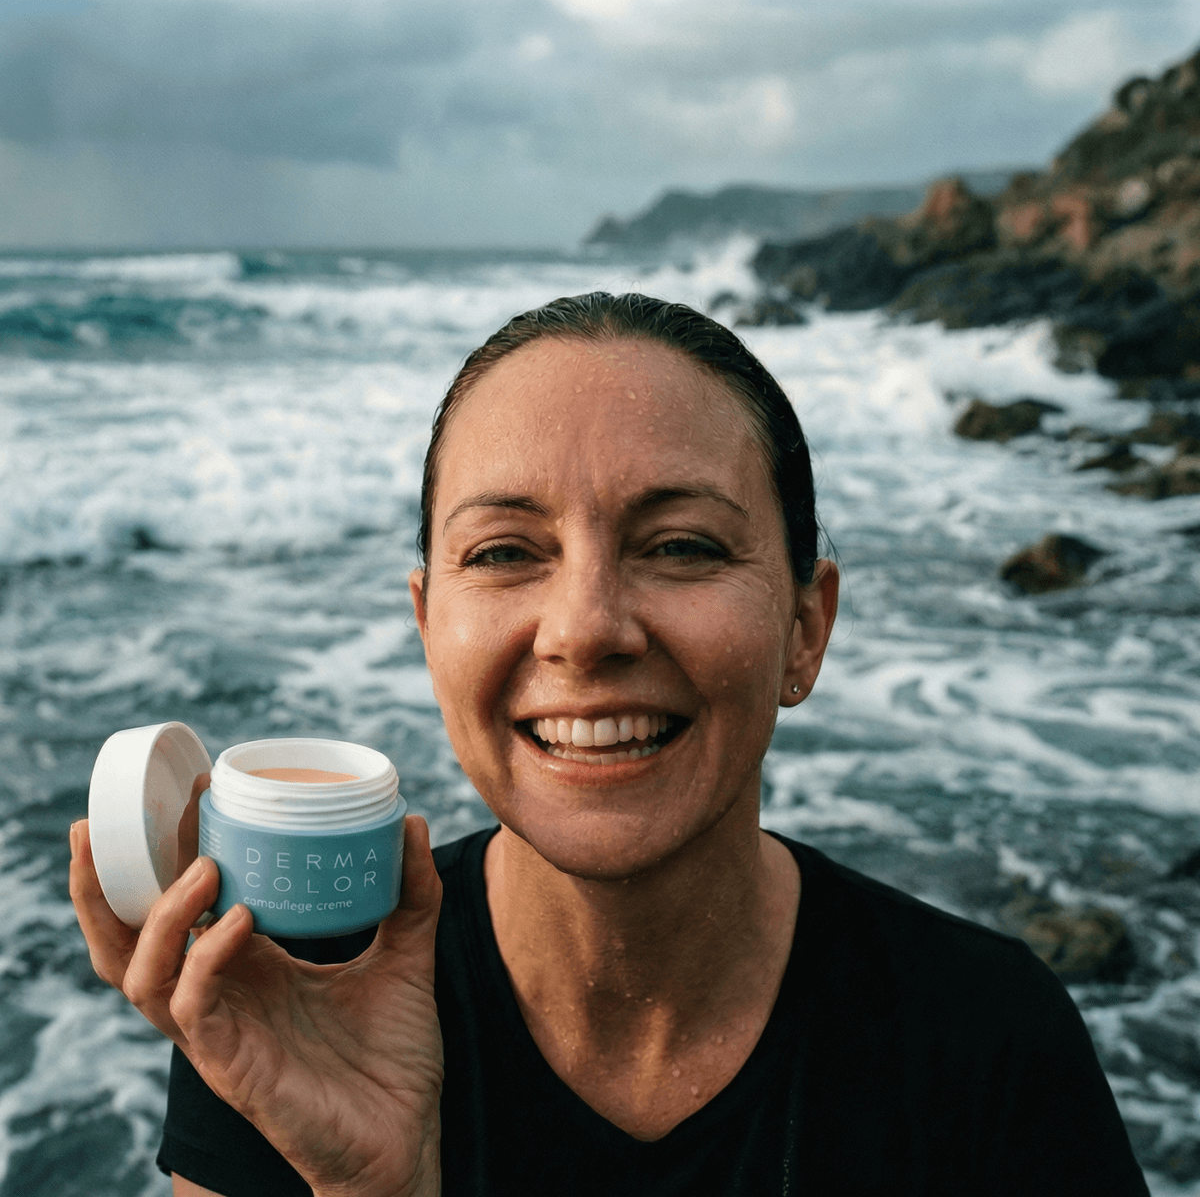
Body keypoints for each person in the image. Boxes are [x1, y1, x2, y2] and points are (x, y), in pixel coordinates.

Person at [71, 292, 1149, 1197]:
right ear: (427, 625)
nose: (585, 629)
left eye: (681, 544)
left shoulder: (988, 1042)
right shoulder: (289, 1007)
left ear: (805, 628)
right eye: (502, 552)